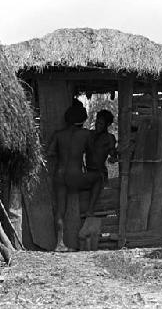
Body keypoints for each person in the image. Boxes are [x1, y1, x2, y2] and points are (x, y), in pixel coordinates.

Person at [47, 101, 102, 252]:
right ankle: (90, 209)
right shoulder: (85, 134)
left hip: (59, 175)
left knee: (60, 210)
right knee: (98, 178)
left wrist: (62, 153)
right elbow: (92, 154)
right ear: (82, 119)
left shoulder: (58, 134)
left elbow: (50, 153)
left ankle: (59, 244)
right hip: (75, 176)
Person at [85, 109, 118, 216]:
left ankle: (92, 213)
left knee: (99, 204)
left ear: (107, 125)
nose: (97, 125)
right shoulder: (89, 135)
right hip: (87, 172)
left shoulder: (110, 138)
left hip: (100, 173)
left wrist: (113, 158)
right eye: (97, 122)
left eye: (101, 124)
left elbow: (113, 155)